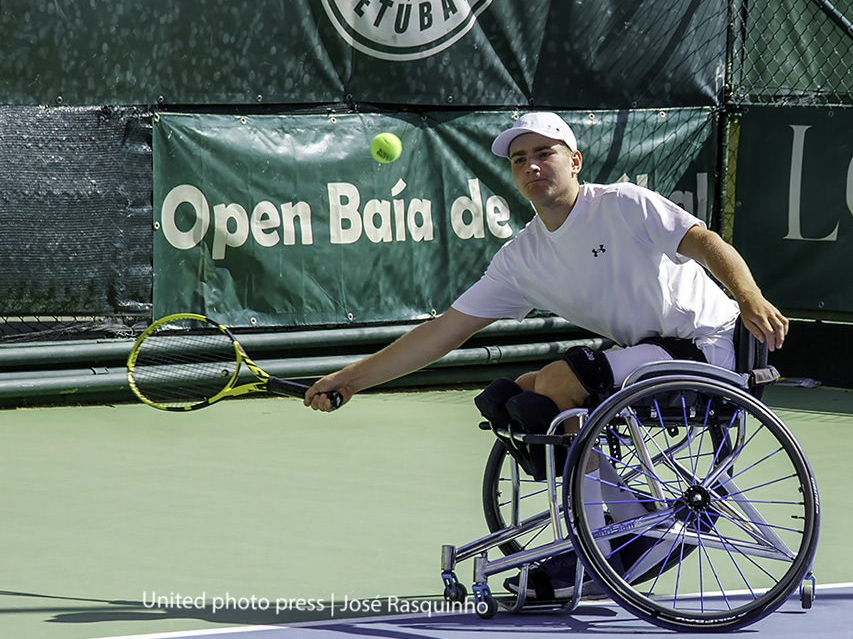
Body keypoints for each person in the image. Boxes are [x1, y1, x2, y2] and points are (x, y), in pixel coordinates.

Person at [305, 111, 788, 598]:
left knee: (561, 380)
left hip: (711, 349)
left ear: (574, 161)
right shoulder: (522, 257)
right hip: (650, 356)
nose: (531, 166)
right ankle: (630, 519)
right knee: (522, 397)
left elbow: (703, 240)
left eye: (544, 153)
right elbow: (444, 332)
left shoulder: (623, 204)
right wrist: (349, 380)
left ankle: (596, 548)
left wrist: (748, 296)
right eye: (519, 159)